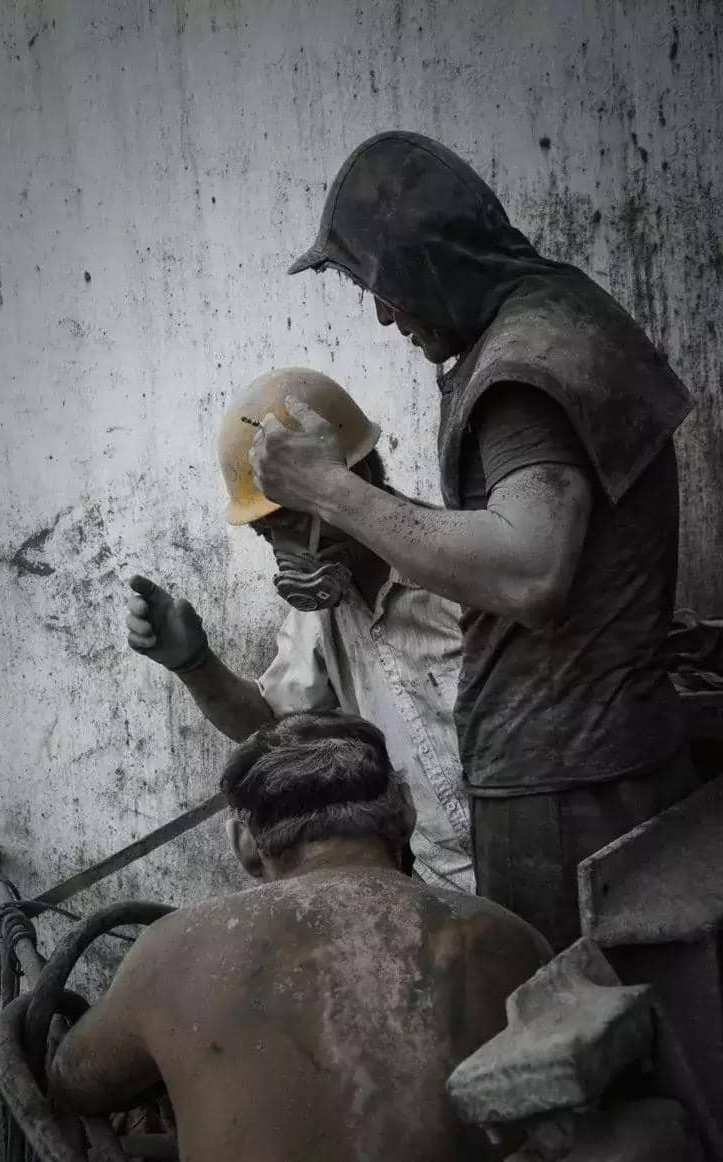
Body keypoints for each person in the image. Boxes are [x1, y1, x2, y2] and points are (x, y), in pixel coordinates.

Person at [249, 131, 699, 951]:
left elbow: (530, 572)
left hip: (565, 782)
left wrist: (328, 489)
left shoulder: (520, 367)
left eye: (383, 287)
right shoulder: (564, 314)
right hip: (603, 761)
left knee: (554, 1009)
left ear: (426, 264)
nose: (385, 315)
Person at [49, 711, 550, 1162]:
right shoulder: (513, 940)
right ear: (405, 809)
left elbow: (73, 1083)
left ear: (245, 843)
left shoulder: (171, 949)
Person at [126, 367, 473, 891]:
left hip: (537, 856)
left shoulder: (464, 572)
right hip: (442, 888)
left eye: (290, 525)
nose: (284, 552)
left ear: (355, 479)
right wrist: (196, 666)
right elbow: (272, 724)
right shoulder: (321, 612)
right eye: (268, 536)